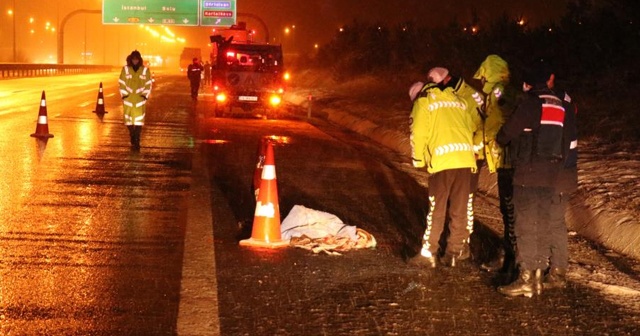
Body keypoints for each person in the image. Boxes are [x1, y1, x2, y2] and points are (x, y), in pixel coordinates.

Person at [495, 59, 568, 298]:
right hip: (551, 175)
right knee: (542, 224)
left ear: (528, 83)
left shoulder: (529, 104)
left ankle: (526, 277)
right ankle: (537, 275)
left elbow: (505, 135)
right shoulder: (558, 104)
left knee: (525, 225)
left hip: (528, 172)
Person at [408, 67, 478, 268]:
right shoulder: (458, 100)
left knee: (436, 209)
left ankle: (428, 253)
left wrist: (419, 160)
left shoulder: (424, 102)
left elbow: (418, 133)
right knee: (459, 209)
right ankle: (454, 253)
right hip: (465, 161)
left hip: (442, 162)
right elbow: (471, 126)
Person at [472, 55, 519, 275]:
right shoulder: (498, 92)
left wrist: (477, 143)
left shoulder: (500, 91)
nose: (481, 81)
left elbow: (495, 122)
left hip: (508, 159)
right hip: (505, 159)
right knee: (508, 211)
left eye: (483, 76)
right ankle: (512, 255)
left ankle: (512, 258)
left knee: (511, 211)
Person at [543, 67, 578, 290]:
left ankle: (558, 271)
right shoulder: (565, 102)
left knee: (554, 221)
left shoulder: (557, 106)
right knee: (551, 220)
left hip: (559, 174)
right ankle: (553, 266)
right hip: (561, 173)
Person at [118, 50, 152, 151]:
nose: (135, 61)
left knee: (138, 122)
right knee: (128, 121)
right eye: (133, 59)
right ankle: (132, 134)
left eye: (137, 59)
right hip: (128, 99)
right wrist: (124, 95)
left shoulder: (145, 70)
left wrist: (145, 96)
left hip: (139, 100)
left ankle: (137, 140)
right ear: (131, 59)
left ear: (139, 59)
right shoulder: (125, 69)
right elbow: (121, 82)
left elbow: (148, 84)